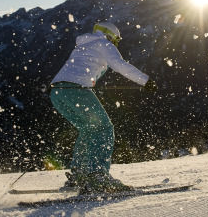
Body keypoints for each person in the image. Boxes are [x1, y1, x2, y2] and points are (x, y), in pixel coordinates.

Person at [50, 21, 157, 194]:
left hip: (58, 92)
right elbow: (120, 64)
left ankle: (79, 175)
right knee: (104, 128)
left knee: (88, 129)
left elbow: (79, 70)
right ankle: (98, 177)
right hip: (76, 90)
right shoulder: (103, 43)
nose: (116, 44)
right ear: (111, 36)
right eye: (116, 40)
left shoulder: (83, 45)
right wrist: (145, 81)